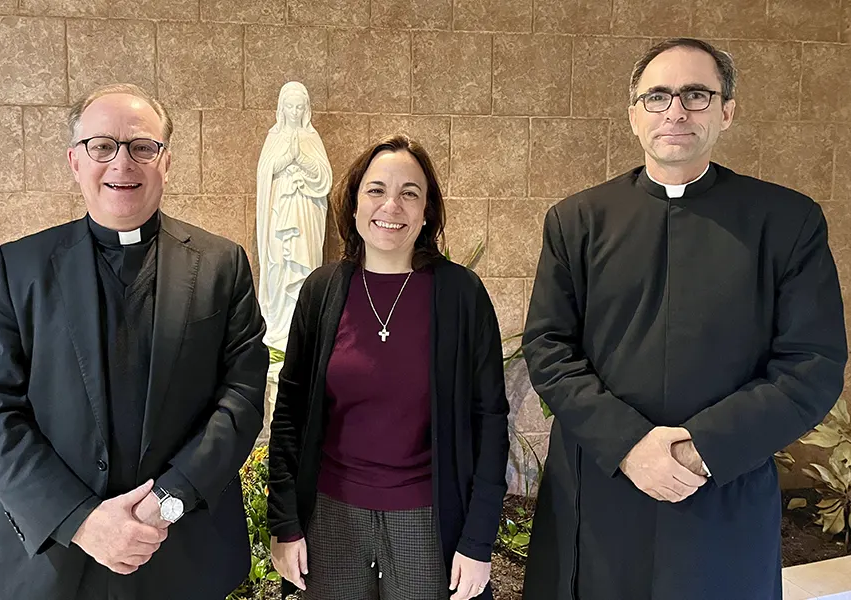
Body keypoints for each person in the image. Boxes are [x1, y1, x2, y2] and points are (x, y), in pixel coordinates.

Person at [522, 38, 847, 600]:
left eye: (696, 95)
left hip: (722, 487)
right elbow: (550, 347)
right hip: (598, 487)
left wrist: (700, 448)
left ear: (727, 110)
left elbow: (811, 364)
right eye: (658, 96)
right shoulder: (577, 220)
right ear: (633, 113)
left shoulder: (787, 221)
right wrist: (628, 444)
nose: (675, 111)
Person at [0, 83, 269, 600]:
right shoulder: (18, 269)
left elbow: (240, 399)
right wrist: (82, 521)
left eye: (142, 147)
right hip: (53, 560)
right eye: (102, 146)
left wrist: (166, 502)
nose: (122, 163)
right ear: (75, 161)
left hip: (181, 552)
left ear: (165, 161)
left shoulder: (221, 265)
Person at [266, 134, 510, 600]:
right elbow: (290, 414)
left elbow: (490, 423)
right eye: (376, 190)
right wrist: (285, 523)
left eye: (409, 193)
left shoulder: (460, 295)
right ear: (354, 204)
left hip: (427, 517)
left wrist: (478, 541)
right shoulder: (322, 291)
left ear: (427, 212)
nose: (391, 206)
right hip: (331, 516)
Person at [256, 81, 333, 352]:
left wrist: (301, 159)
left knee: (305, 267)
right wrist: (286, 157)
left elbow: (324, 179)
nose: (294, 111)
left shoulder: (312, 139)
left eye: (300, 107)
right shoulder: (274, 137)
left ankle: (301, 327)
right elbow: (265, 173)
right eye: (290, 106)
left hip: (304, 214)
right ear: (282, 107)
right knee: (279, 265)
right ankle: (279, 324)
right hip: (279, 215)